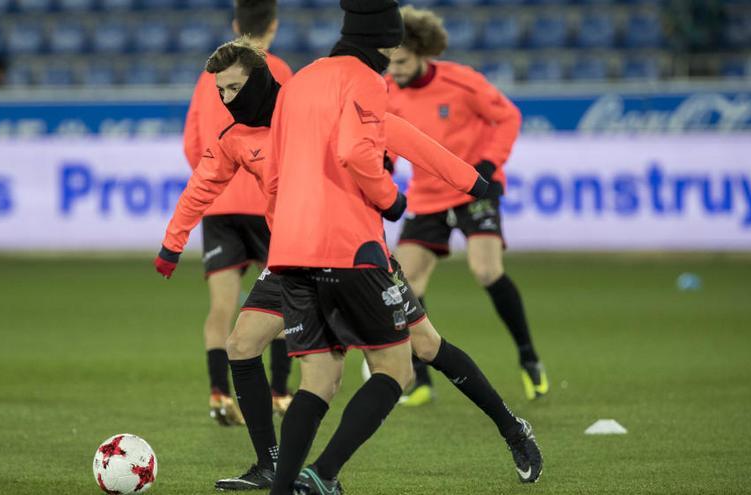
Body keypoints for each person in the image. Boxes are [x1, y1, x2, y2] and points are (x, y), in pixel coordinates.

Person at [155, 38, 542, 491]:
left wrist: (472, 181)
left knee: (427, 347)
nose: (226, 100)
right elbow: (202, 185)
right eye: (220, 91)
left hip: (355, 253)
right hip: (293, 259)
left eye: (234, 88)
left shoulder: (312, 109)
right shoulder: (235, 138)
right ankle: (272, 465)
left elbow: (401, 135)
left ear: (258, 81)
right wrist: (172, 243)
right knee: (241, 345)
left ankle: (512, 429)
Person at [264, 1, 541, 492]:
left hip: (292, 251)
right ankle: (325, 475)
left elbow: (280, 169)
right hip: (351, 248)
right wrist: (391, 200)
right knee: (401, 365)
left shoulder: (300, 82)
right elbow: (356, 151)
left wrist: (471, 182)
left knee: (320, 381)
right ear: (385, 42)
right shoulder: (369, 80)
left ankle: (287, 489)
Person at [386, 5, 548, 404]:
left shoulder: (461, 81)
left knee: (486, 269)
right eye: (389, 63)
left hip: (473, 189)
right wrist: (381, 168)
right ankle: (421, 379)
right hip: (427, 195)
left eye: (402, 62)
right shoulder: (387, 91)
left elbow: (508, 117)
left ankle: (529, 359)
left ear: (422, 53)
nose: (395, 70)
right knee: (406, 280)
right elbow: (385, 140)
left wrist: (489, 166)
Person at [182, 0, 294, 426]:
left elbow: (193, 142)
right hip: (271, 206)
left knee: (221, 308)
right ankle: (280, 393)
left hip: (221, 206)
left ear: (235, 24)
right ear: (274, 26)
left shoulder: (209, 76)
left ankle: (218, 395)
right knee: (285, 301)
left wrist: (214, 180)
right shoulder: (280, 71)